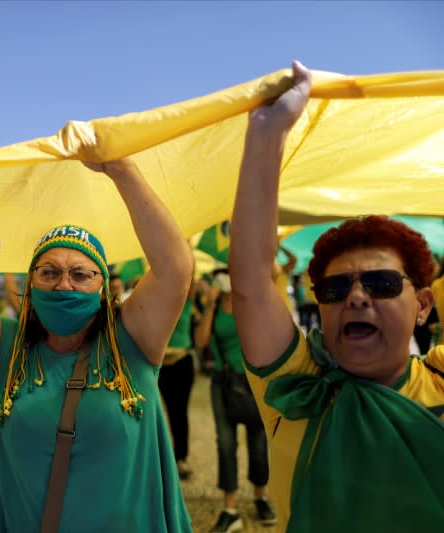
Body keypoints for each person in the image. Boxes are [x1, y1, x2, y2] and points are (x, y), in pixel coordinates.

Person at [0, 157, 194, 532]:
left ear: (101, 289)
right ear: (30, 283)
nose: (64, 284)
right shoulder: (5, 347)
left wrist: (122, 170)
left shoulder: (131, 339)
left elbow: (176, 267)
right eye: (49, 272)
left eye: (81, 274)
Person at [230, 61, 444, 532]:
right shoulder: (293, 387)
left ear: (424, 305)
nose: (358, 297)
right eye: (336, 288)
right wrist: (267, 136)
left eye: (383, 284)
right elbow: (250, 286)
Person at [194, 269, 275, 532]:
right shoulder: (214, 309)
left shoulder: (249, 302)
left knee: (259, 442)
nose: (225, 280)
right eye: (220, 277)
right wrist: (211, 305)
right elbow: (201, 341)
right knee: (225, 444)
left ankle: (261, 498)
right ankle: (230, 509)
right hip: (223, 382)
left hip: (254, 382)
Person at [159, 276, 199, 480]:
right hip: (162, 365)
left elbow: (189, 278)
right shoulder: (157, 304)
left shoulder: (187, 302)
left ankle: (181, 457)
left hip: (182, 362)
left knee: (180, 412)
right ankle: (166, 458)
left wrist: (186, 250)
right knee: (166, 413)